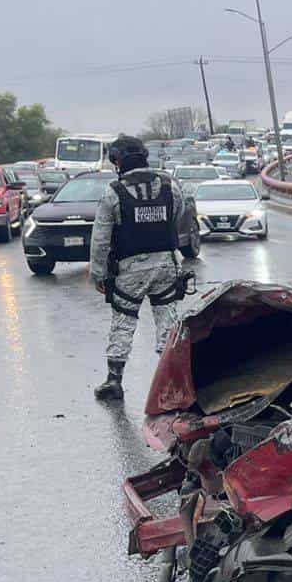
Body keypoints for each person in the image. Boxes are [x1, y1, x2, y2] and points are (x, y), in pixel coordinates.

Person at [89, 135, 187, 400]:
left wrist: (98, 274)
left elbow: (100, 238)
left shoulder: (114, 192)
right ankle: (173, 381)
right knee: (167, 320)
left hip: (129, 268)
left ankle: (114, 380)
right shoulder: (169, 186)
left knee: (123, 321)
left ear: (118, 162)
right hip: (166, 263)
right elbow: (178, 214)